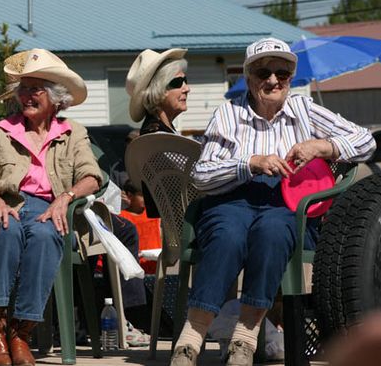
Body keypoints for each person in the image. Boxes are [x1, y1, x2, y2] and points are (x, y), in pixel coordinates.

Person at [171, 37, 376, 366]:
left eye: (282, 73)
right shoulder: (228, 114)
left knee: (273, 233)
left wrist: (322, 147)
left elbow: (365, 140)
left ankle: (245, 338)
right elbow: (201, 175)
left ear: (291, 79)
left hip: (287, 203)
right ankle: (192, 336)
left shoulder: (304, 109)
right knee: (227, 236)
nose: (273, 80)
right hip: (232, 197)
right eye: (264, 72)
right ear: (249, 78)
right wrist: (248, 163)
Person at [0, 48, 102, 366]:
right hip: (0, 209)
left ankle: (20, 334)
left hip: (48, 210)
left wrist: (64, 198)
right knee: (5, 229)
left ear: (55, 97)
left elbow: (91, 177)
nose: (27, 95)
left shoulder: (72, 133)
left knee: (45, 234)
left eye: (35, 88)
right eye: (23, 88)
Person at [125, 48, 190, 217]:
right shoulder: (156, 139)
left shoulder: (161, 131)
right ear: (158, 92)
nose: (187, 88)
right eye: (177, 83)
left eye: (185, 80)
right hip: (185, 223)